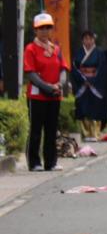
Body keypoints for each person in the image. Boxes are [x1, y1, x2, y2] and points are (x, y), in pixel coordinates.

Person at [24, 12, 70, 171]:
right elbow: (30, 73)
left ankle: (51, 162)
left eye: (48, 27)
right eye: (41, 28)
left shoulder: (56, 49)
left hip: (54, 94)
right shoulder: (30, 49)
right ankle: (34, 162)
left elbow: (63, 69)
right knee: (36, 129)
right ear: (35, 30)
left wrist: (60, 84)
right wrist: (47, 87)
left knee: (51, 130)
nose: (45, 31)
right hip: (37, 95)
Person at [72, 30, 106, 141]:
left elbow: (101, 69)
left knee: (95, 107)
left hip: (94, 84)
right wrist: (83, 80)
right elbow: (75, 68)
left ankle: (95, 133)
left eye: (90, 38)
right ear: (82, 40)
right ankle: (85, 133)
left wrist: (92, 80)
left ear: (94, 40)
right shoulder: (78, 52)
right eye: (86, 38)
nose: (88, 41)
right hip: (82, 84)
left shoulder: (99, 52)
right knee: (83, 107)